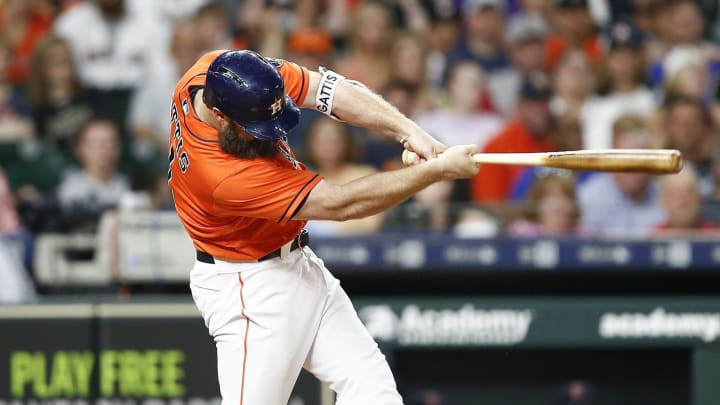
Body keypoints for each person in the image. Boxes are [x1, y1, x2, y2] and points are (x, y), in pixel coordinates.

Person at [170, 49, 477, 405]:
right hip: (249, 287)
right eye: (256, 128)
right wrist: (433, 173)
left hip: (297, 264)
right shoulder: (218, 175)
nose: (271, 134)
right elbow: (341, 204)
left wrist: (410, 132)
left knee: (373, 391)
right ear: (220, 115)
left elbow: (328, 90)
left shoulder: (213, 70)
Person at [577, 115, 665, 238]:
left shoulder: (665, 195)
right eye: (625, 159)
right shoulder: (589, 197)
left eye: (639, 159)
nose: (632, 168)